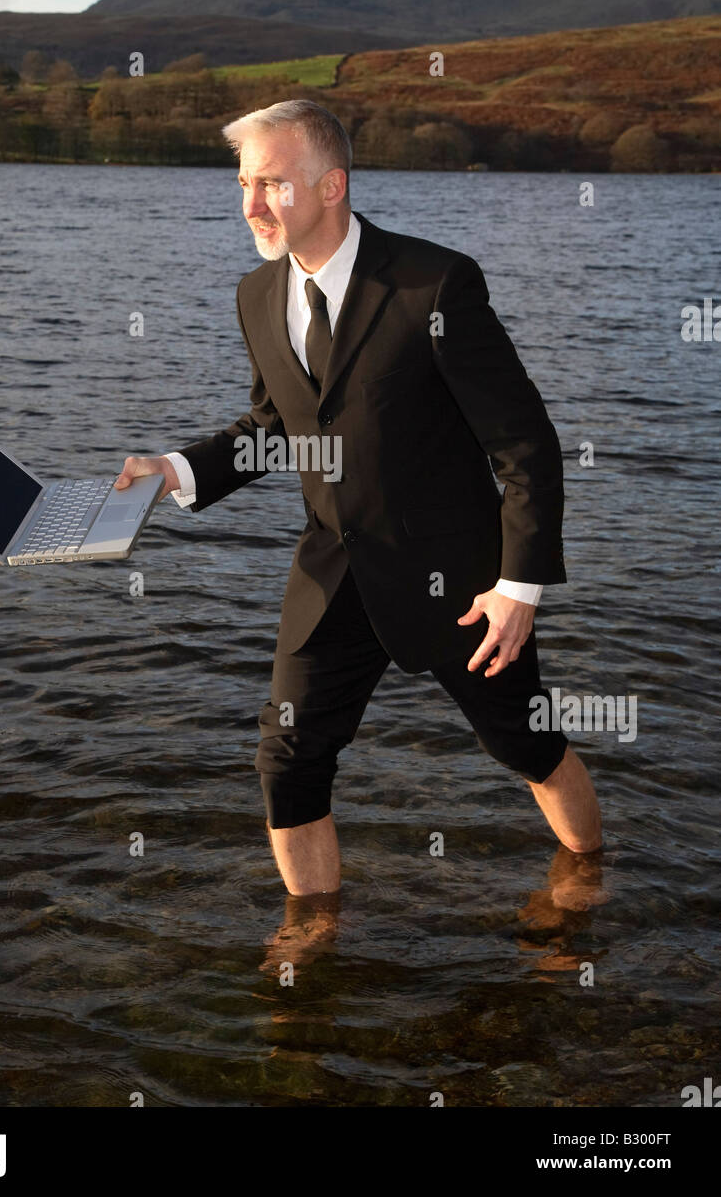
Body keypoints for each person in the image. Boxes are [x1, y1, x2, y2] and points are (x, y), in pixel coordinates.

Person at [114, 99, 602, 896]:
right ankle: (312, 948)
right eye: (243, 183)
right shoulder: (256, 296)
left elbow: (523, 444)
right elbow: (275, 427)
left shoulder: (433, 285)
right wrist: (175, 469)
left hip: (461, 582)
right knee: (290, 759)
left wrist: (520, 587)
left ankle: (587, 885)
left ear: (332, 184)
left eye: (271, 183)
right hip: (333, 570)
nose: (250, 205)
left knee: (523, 744)